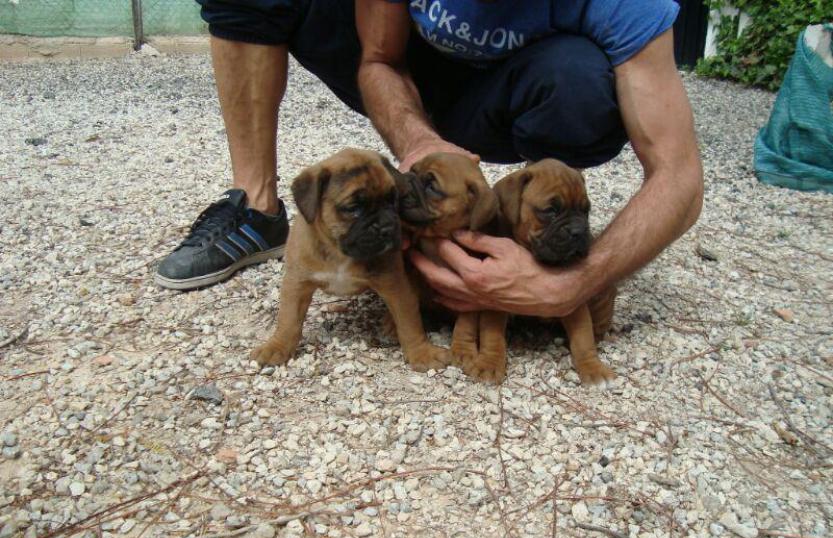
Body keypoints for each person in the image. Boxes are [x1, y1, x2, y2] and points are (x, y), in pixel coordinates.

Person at [156, 0, 703, 324]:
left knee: (580, 83)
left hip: (512, 90)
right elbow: (376, 59)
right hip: (405, 75)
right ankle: (254, 207)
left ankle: (524, 229)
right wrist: (418, 145)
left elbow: (680, 175)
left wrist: (577, 281)